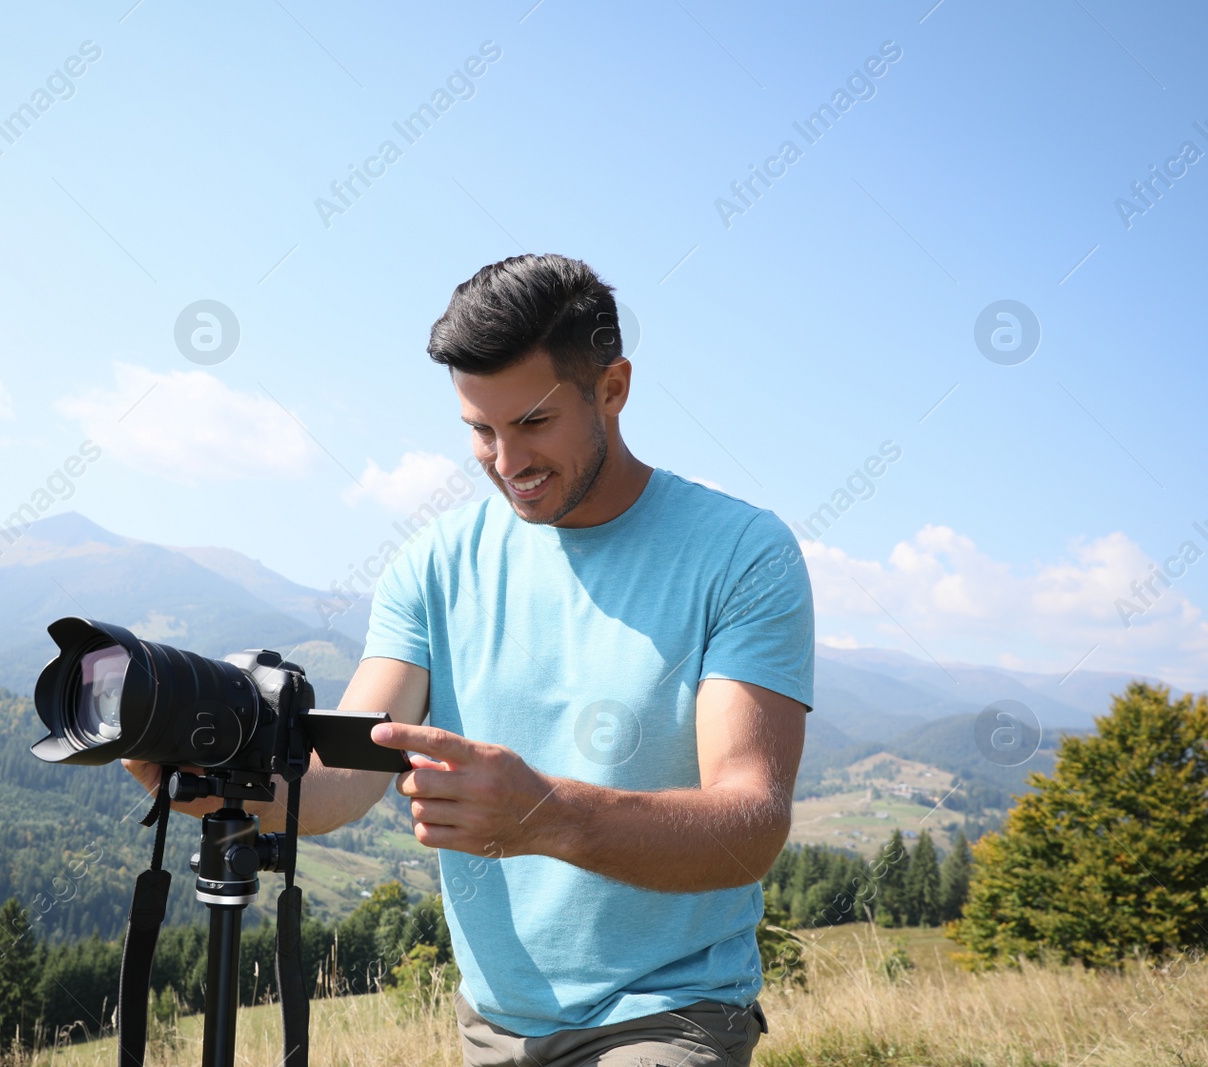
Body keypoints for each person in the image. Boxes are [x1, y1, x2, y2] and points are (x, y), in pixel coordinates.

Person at [127, 253, 814, 1067]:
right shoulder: (432, 563)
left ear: (613, 388)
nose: (506, 461)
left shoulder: (742, 553)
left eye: (532, 423)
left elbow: (751, 825)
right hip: (492, 1024)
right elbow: (345, 775)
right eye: (480, 431)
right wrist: (191, 767)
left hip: (666, 1013)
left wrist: (547, 813)